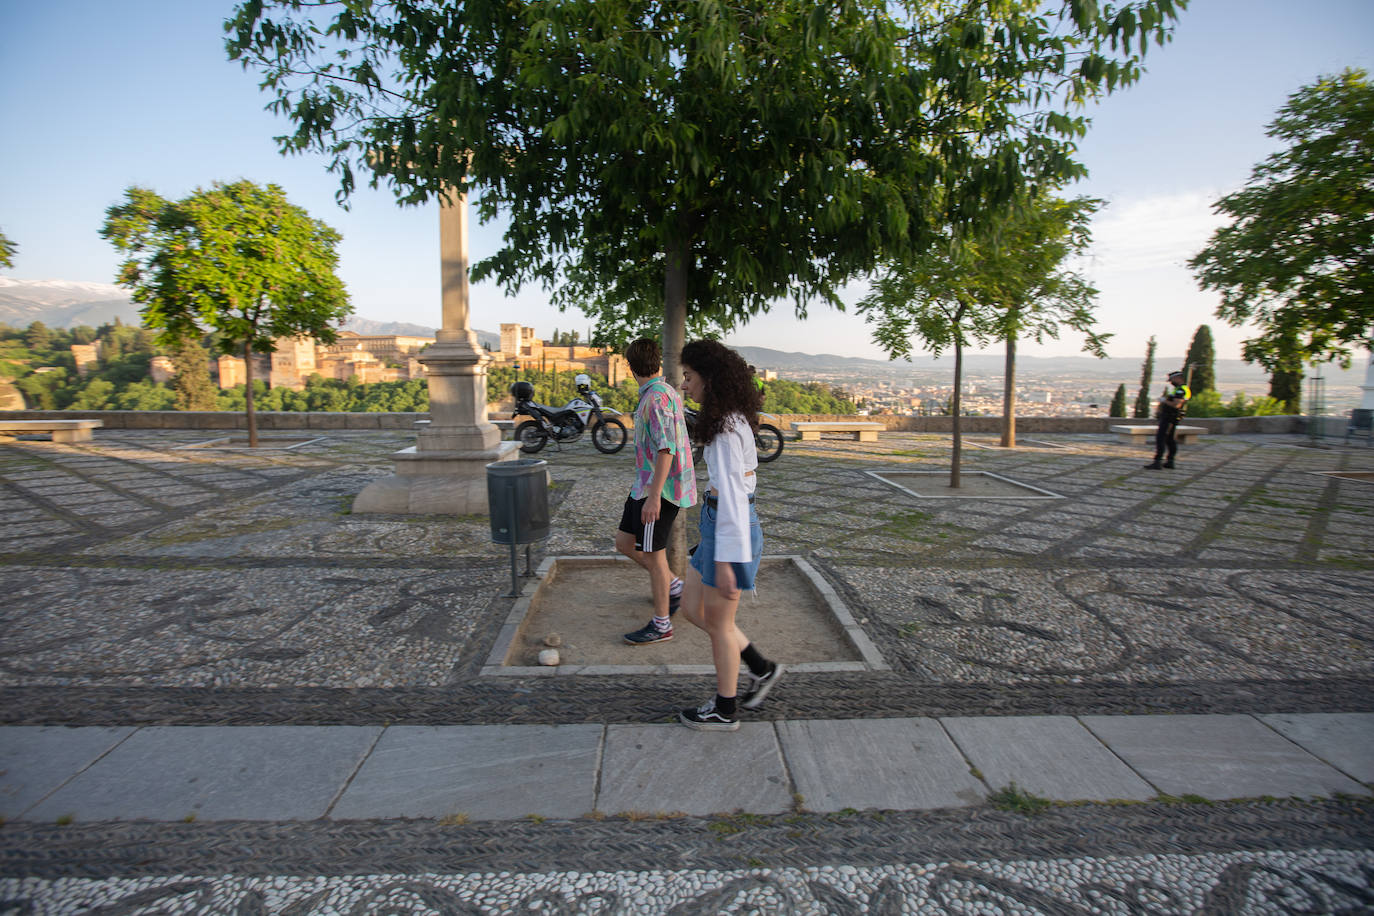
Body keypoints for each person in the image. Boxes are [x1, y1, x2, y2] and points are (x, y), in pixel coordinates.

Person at [673, 340, 783, 731]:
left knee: (719, 623)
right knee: (691, 610)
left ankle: (724, 708)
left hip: (729, 528)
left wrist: (725, 558)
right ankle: (759, 666)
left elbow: (737, 495)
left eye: (688, 377)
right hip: (717, 523)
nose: (685, 385)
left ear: (709, 378)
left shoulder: (725, 427)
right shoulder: (730, 419)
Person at [618, 338, 697, 645]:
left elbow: (667, 450)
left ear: (630, 367)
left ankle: (662, 624)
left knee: (653, 555)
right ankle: (674, 587)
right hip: (644, 486)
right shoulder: (659, 393)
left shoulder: (657, 399)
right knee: (624, 542)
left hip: (660, 491)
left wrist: (653, 498)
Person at [1145, 369, 1192, 469]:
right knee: (1170, 439)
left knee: (1161, 438)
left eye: (1172, 380)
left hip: (1170, 417)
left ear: (1178, 378)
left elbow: (1176, 404)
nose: (1171, 382)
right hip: (1172, 417)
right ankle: (1170, 461)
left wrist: (1164, 401)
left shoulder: (1181, 390)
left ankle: (1158, 461)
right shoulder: (1181, 388)